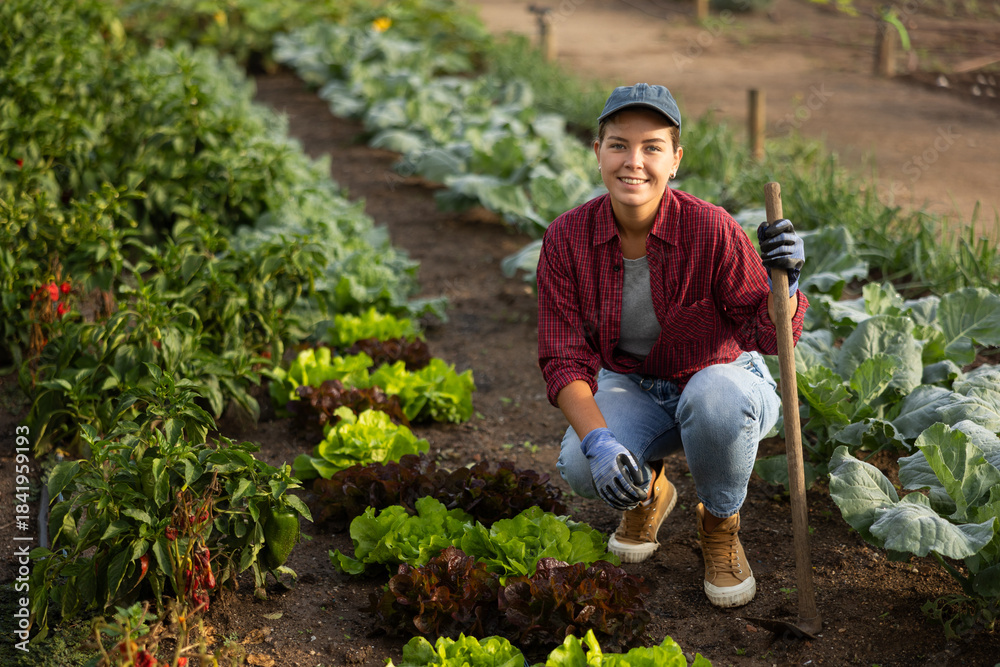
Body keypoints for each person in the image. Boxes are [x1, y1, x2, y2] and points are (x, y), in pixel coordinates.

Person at [536, 83, 808, 608]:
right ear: (597, 154)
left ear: (675, 159)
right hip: (633, 385)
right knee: (577, 464)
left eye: (652, 147)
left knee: (714, 398)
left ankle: (720, 523)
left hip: (725, 378)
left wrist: (789, 285)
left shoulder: (711, 229)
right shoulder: (566, 239)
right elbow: (562, 356)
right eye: (618, 145)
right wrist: (599, 443)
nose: (633, 161)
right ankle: (649, 491)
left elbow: (766, 334)